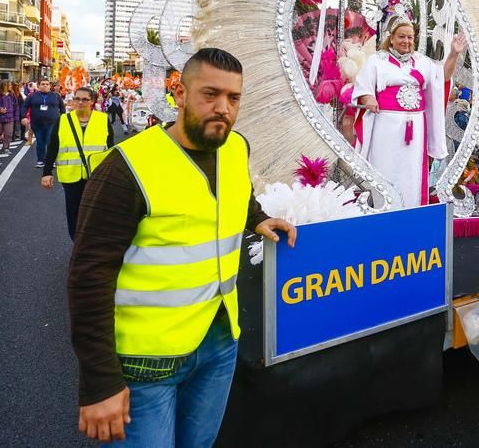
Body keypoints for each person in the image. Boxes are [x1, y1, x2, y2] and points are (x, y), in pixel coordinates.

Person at [68, 48, 297, 445]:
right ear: (180, 94)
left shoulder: (235, 147)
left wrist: (256, 218)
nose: (223, 108)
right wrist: (100, 381)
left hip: (219, 341)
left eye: (233, 98)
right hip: (146, 362)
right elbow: (88, 276)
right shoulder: (127, 168)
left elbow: (232, 194)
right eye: (210, 94)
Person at [353, 20, 464, 208]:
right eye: (401, 36)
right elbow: (363, 88)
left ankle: (410, 213)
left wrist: (454, 53)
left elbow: (443, 77)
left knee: (411, 172)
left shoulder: (421, 61)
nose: (406, 41)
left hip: (416, 129)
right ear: (392, 38)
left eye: (410, 37)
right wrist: (368, 98)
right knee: (385, 169)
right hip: (385, 126)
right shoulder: (377, 60)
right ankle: (383, 213)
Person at [42, 87, 114, 239]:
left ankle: (92, 243)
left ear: (92, 101)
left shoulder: (102, 119)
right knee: (74, 212)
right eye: (77, 99)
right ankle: (77, 243)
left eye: (84, 99)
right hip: (71, 176)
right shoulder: (63, 120)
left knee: (95, 212)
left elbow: (112, 149)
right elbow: (53, 146)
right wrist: (47, 173)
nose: (80, 102)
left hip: (96, 175)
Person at [23, 79, 66, 167]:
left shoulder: (56, 96)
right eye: (43, 84)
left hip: (52, 123)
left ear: (50, 86)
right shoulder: (32, 96)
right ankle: (40, 160)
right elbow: (24, 107)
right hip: (37, 123)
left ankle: (51, 160)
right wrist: (23, 117)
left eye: (47, 84)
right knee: (40, 142)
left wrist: (63, 119)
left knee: (50, 142)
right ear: (38, 86)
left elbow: (62, 108)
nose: (45, 85)